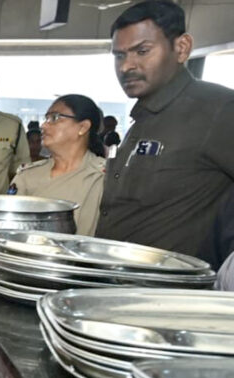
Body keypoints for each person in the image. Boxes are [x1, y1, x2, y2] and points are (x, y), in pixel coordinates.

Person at [98, 0, 234, 256]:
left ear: (182, 48)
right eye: (119, 55)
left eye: (142, 51)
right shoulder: (144, 117)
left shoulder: (219, 110)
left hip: (176, 281)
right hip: (117, 277)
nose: (126, 66)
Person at [10, 95, 107, 236]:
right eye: (46, 118)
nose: (43, 125)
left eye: (54, 118)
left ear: (83, 127)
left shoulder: (103, 177)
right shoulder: (28, 175)